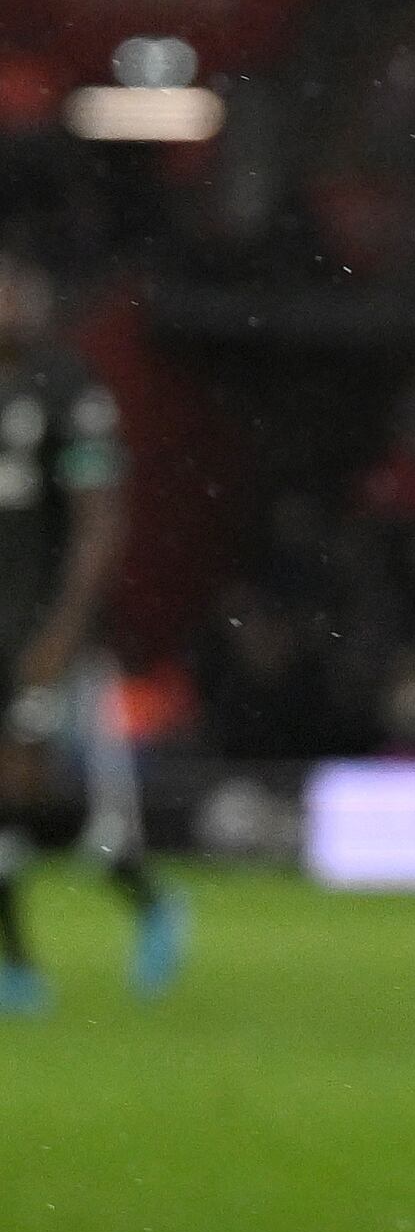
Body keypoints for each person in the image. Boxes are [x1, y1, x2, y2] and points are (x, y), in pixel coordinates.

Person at [0, 250, 192, 1014]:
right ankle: (22, 967)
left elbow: (99, 525)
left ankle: (144, 898)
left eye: (12, 290)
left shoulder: (68, 389)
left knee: (14, 789)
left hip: (39, 631)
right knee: (11, 804)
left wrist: (64, 631)